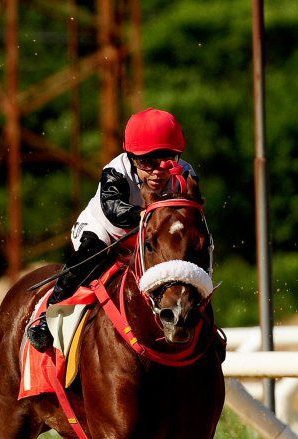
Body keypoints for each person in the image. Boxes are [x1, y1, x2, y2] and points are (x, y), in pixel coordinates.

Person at [25, 108, 198, 352]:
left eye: (167, 160)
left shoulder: (187, 173)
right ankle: (46, 316)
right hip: (107, 233)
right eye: (148, 162)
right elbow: (113, 209)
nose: (158, 170)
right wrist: (148, 217)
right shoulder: (115, 171)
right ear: (132, 157)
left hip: (152, 238)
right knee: (89, 254)